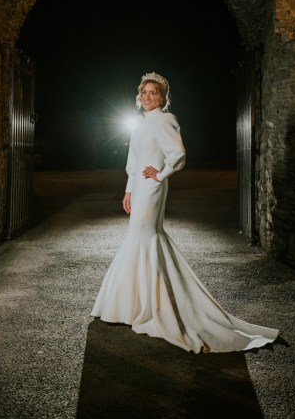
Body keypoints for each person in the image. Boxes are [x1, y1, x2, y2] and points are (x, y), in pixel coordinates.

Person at [91, 71, 279, 353]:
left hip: (153, 189)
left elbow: (178, 154)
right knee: (137, 239)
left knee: (147, 238)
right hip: (139, 189)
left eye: (153, 93)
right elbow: (133, 162)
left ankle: (158, 306)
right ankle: (133, 305)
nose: (147, 97)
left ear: (162, 97)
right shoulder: (138, 124)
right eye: (143, 93)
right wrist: (129, 190)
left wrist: (161, 174)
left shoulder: (165, 119)